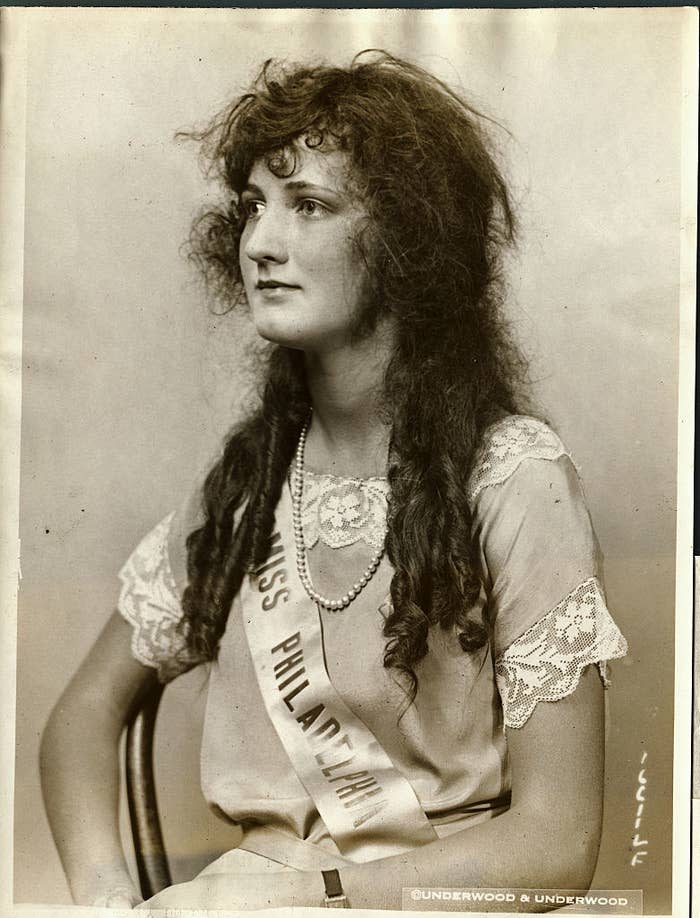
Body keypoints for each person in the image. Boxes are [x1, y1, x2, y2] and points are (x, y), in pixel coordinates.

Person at [39, 51, 628, 911]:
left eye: (308, 206)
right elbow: (79, 722)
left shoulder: (511, 479)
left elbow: (558, 843)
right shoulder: (247, 489)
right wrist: (107, 900)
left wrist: (311, 896)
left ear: (405, 240)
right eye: (252, 207)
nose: (260, 244)